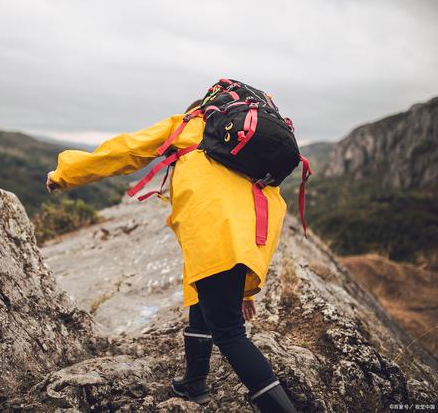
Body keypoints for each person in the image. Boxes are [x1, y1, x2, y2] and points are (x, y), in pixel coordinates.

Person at [45, 97, 298, 412]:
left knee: (230, 334)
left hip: (214, 232)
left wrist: (65, 174)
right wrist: (244, 286)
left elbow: (127, 150)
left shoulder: (190, 124)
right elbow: (253, 210)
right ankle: (194, 381)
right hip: (254, 234)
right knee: (204, 293)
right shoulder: (249, 152)